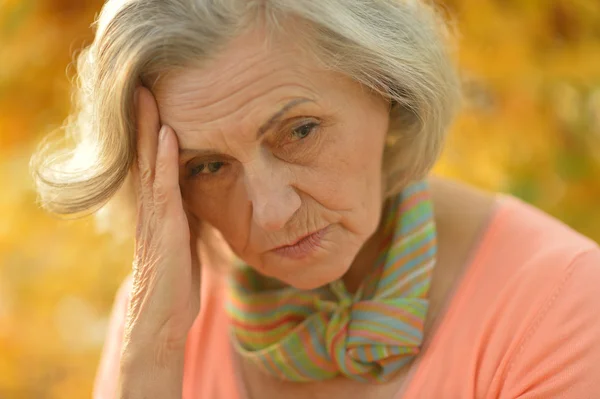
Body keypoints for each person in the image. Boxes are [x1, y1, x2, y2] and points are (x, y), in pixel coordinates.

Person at [30, 0, 600, 398]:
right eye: (208, 167)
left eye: (300, 131)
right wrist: (152, 357)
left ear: (386, 86)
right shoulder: (162, 317)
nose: (273, 211)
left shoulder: (562, 302)